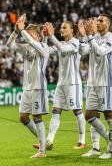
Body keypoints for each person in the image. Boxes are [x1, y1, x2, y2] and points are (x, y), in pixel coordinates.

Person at [78, 15, 112, 159]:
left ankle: (111, 149)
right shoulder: (94, 37)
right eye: (97, 21)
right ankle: (104, 144)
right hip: (92, 82)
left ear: (108, 24)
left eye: (101, 20)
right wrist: (84, 36)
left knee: (111, 114)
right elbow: (82, 51)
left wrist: (89, 37)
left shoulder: (111, 38)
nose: (98, 22)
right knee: (89, 115)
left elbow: (101, 51)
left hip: (106, 82)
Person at [32, 21, 86, 150]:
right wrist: (45, 36)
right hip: (61, 83)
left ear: (72, 30)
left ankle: (82, 141)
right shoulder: (60, 43)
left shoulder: (76, 43)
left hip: (73, 83)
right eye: (61, 28)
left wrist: (51, 36)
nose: (61, 30)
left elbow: (63, 49)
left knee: (77, 110)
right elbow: (46, 51)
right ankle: (49, 141)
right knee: (56, 110)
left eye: (64, 27)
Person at [6, 14, 50, 158]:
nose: (27, 36)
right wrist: (16, 31)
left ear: (37, 35)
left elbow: (31, 41)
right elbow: (9, 45)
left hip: (38, 87)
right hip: (27, 87)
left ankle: (42, 151)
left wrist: (22, 30)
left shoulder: (44, 47)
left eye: (30, 33)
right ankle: (45, 141)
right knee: (23, 117)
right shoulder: (27, 48)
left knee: (37, 117)